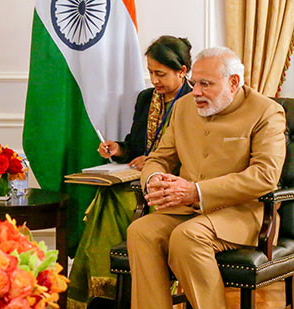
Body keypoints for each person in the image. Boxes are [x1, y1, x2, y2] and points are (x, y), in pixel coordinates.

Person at [126, 47, 286, 308]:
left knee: (187, 236)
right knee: (141, 231)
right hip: (185, 210)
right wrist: (154, 178)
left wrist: (196, 191)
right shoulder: (183, 108)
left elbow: (264, 175)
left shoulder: (266, 111)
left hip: (243, 214)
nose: (196, 91)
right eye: (193, 83)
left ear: (233, 82)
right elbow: (159, 158)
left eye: (205, 84)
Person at [67, 36, 193, 308]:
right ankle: (111, 290)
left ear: (182, 71)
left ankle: (110, 290)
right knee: (108, 196)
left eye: (160, 73)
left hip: (172, 183)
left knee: (110, 201)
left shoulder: (195, 100)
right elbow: (134, 144)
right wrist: (118, 149)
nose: (154, 80)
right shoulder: (146, 98)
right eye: (150, 72)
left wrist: (157, 160)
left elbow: (199, 152)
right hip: (136, 179)